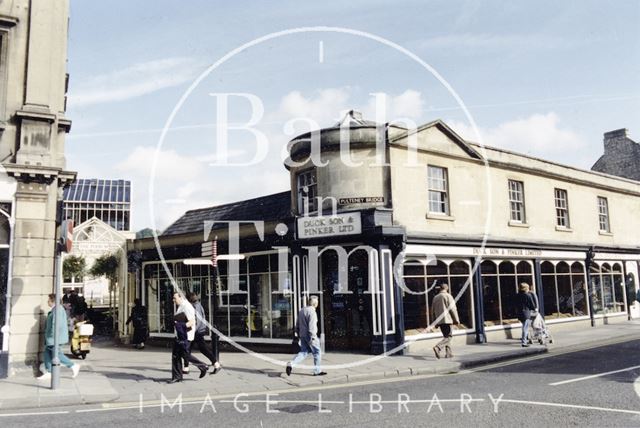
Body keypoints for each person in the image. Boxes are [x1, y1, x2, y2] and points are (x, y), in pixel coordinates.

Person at [37, 294, 80, 380]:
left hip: (55, 338)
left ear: (53, 301)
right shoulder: (56, 309)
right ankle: (49, 371)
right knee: (47, 353)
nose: (47, 302)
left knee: (56, 354)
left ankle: (73, 365)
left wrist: (52, 336)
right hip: (52, 338)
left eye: (49, 300)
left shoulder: (58, 310)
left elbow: (56, 324)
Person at [168, 291, 208, 383]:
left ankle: (202, 366)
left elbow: (192, 322)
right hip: (180, 334)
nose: (173, 300)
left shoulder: (187, 307)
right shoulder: (182, 306)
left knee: (183, 354)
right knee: (176, 355)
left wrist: (178, 325)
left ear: (181, 297)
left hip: (185, 336)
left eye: (175, 298)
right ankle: (177, 376)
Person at [286, 295, 326, 376]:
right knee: (317, 352)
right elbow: (312, 326)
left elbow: (297, 324)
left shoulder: (302, 310)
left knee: (304, 352)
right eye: (317, 302)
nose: (317, 303)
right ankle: (317, 371)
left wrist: (298, 333)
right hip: (310, 335)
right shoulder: (312, 312)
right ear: (315, 303)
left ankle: (291, 364)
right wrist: (313, 337)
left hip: (302, 335)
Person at [184, 292, 221, 374]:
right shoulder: (199, 305)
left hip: (196, 332)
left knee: (191, 349)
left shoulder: (194, 307)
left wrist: (192, 330)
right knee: (190, 349)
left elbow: (197, 321)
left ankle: (216, 364)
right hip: (199, 331)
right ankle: (186, 368)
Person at [431, 284, 460, 359]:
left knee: (446, 336)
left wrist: (435, 322)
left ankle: (448, 354)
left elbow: (432, 311)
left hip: (440, 321)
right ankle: (438, 347)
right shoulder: (448, 296)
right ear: (447, 288)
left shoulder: (435, 297)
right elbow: (453, 309)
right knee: (449, 337)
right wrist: (456, 320)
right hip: (447, 320)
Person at [516, 282, 537, 347]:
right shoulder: (528, 295)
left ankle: (526, 339)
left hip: (519, 313)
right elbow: (532, 305)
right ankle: (524, 342)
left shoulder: (517, 295)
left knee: (524, 327)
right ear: (525, 288)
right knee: (525, 328)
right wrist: (534, 309)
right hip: (526, 313)